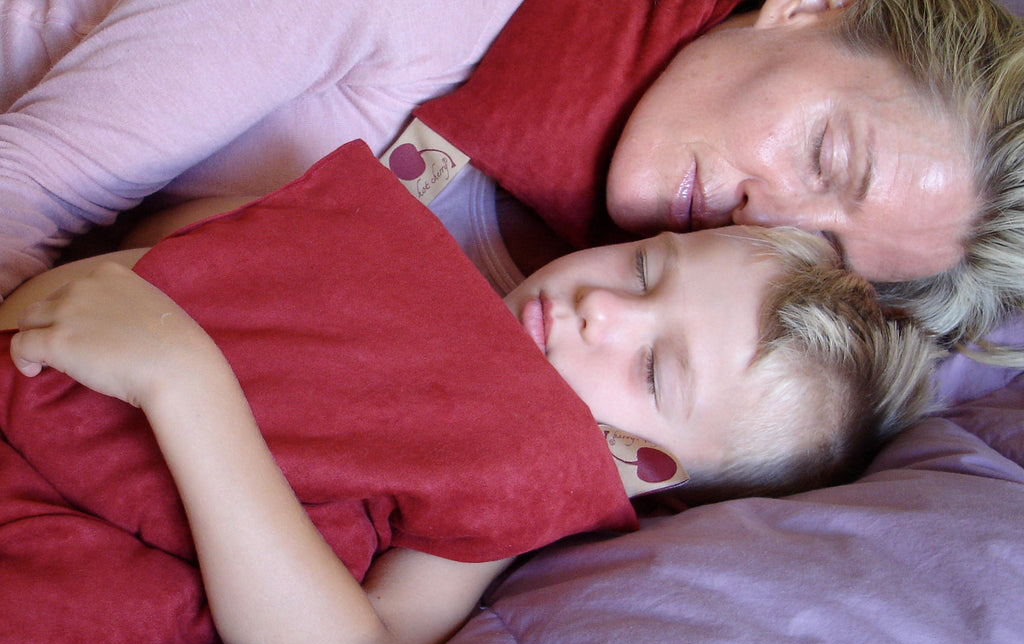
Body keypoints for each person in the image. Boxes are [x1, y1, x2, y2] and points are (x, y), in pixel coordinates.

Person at [0, 160, 939, 644]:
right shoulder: (398, 251)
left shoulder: (518, 489)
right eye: (646, 268)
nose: (600, 308)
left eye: (655, 370)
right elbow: (183, 245)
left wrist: (186, 383)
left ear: (649, 471)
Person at [0, 0, 1022, 351]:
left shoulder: (598, 308)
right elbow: (30, 188)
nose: (769, 213)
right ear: (808, 7)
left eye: (817, 248)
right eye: (824, 153)